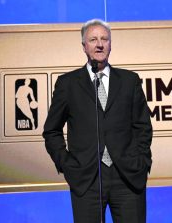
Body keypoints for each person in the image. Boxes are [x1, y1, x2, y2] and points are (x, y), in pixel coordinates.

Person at [43, 19, 152, 223]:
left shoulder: (129, 81)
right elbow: (52, 131)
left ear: (111, 44)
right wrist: (67, 165)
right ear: (84, 46)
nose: (99, 44)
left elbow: (143, 126)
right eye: (93, 39)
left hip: (128, 177)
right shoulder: (68, 84)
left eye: (104, 39)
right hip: (86, 178)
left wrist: (142, 161)